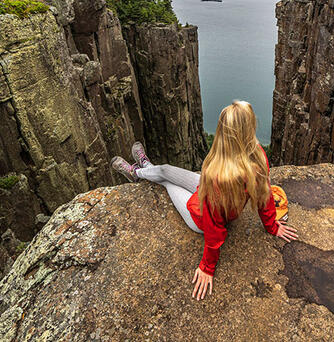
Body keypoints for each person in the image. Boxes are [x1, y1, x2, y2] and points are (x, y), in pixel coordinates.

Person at [111, 100, 298, 300]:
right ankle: (141, 170)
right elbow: (264, 194)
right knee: (165, 169)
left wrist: (207, 267)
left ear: (223, 132)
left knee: (166, 182)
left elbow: (213, 228)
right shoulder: (257, 155)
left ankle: (139, 172)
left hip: (199, 217)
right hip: (210, 193)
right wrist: (271, 226)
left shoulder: (216, 176)